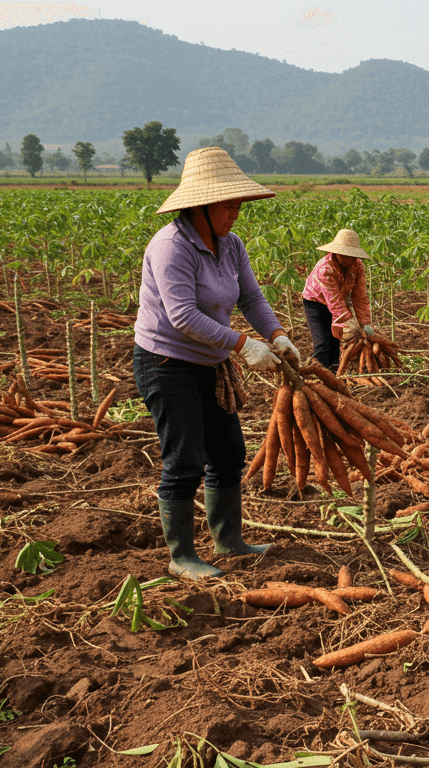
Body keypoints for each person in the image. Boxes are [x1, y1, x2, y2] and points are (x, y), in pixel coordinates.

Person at [133, 147, 302, 580]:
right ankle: (181, 556)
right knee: (184, 460)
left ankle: (229, 541)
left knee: (228, 452)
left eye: (238, 204)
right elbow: (182, 316)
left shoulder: (230, 245)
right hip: (167, 362)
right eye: (229, 204)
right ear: (201, 206)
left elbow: (250, 297)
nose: (236, 213)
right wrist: (243, 345)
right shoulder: (172, 246)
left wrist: (277, 334)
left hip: (209, 361)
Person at [302, 228, 374, 369]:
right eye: (346, 255)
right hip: (315, 303)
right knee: (323, 343)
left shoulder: (358, 265)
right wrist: (347, 322)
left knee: (336, 343)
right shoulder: (325, 269)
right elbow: (334, 302)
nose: (350, 260)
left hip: (339, 300)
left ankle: (335, 375)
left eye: (353, 255)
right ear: (336, 253)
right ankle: (317, 374)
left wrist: (365, 323)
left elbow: (359, 296)